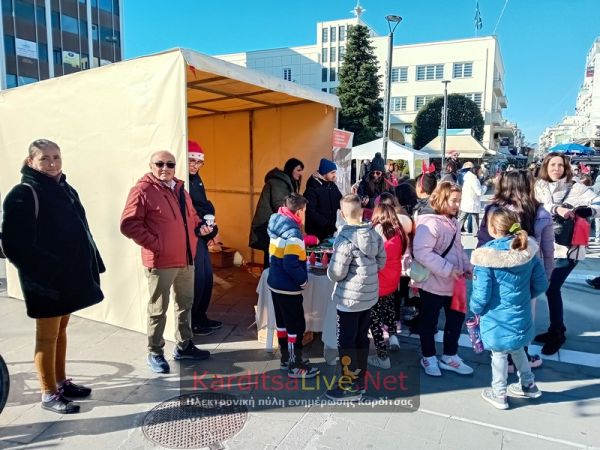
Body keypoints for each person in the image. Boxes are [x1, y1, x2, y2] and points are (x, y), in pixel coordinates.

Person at [2, 139, 105, 414]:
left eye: (56, 157)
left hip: (68, 278)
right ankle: (48, 393)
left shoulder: (64, 187)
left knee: (60, 332)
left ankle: (61, 381)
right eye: (44, 158)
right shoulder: (23, 192)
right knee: (47, 337)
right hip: (46, 283)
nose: (52, 163)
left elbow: (82, 230)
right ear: (30, 161)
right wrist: (49, 269)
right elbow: (14, 245)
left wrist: (92, 262)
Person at [120, 150, 213, 374]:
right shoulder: (142, 190)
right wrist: (157, 244)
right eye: (160, 164)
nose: (165, 168)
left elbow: (192, 218)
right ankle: (155, 352)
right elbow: (129, 224)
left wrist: (201, 228)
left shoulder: (181, 189)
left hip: (185, 258)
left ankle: (184, 345)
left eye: (170, 164)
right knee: (158, 309)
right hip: (161, 261)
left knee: (185, 305)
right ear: (151, 165)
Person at [470, 208, 548, 410]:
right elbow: (541, 283)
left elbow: (481, 295)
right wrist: (524, 296)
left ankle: (499, 393)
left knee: (499, 355)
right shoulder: (527, 249)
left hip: (497, 317)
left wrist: (475, 309)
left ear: (493, 228)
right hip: (520, 312)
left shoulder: (486, 256)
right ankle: (528, 385)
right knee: (518, 348)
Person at [477, 170, 554, 369]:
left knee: (497, 311)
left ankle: (500, 355)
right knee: (524, 313)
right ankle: (522, 356)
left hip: (496, 271)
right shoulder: (540, 211)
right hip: (526, 273)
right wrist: (546, 276)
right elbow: (548, 249)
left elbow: (483, 241)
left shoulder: (493, 210)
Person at [534, 152, 600, 354]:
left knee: (552, 288)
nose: (556, 169)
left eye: (560, 165)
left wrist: (588, 211)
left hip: (568, 248)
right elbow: (536, 206)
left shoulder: (576, 187)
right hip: (544, 245)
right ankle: (557, 328)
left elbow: (597, 202)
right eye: (552, 165)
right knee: (549, 289)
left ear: (566, 168)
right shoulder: (538, 186)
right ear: (546, 166)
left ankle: (557, 333)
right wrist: (555, 208)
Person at [326, 194, 386, 401]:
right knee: (361, 338)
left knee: (346, 342)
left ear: (342, 214)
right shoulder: (373, 233)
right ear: (361, 211)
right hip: (368, 297)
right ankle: (360, 381)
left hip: (349, 300)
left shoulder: (344, 240)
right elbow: (382, 261)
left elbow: (336, 273)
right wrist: (368, 273)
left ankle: (348, 386)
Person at [412, 182, 474, 377]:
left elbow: (458, 249)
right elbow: (422, 253)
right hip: (433, 283)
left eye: (459, 201)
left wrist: (466, 266)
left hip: (454, 282)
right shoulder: (430, 223)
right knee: (429, 321)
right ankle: (428, 356)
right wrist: (449, 269)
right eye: (454, 200)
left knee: (456, 320)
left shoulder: (453, 222)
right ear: (441, 199)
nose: (457, 205)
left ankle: (450, 355)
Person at [267, 193, 319, 378]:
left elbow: (283, 250)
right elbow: (290, 262)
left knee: (283, 325)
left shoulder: (276, 222)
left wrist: (305, 241)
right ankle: (295, 365)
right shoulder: (294, 233)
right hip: (288, 287)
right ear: (299, 212)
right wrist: (303, 280)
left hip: (275, 282)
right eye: (304, 211)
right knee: (296, 327)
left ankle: (285, 359)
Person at [187, 141, 222, 336]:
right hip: (192, 237)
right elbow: (191, 210)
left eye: (198, 163)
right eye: (191, 161)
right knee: (198, 279)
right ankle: (194, 320)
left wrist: (211, 228)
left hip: (202, 234)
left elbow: (204, 205)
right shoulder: (182, 181)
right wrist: (206, 228)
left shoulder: (197, 179)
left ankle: (201, 316)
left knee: (207, 278)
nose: (195, 165)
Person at [368, 203, 407, 369]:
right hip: (392, 279)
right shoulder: (399, 232)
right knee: (389, 309)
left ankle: (382, 357)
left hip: (377, 281)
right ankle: (393, 338)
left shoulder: (376, 231)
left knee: (374, 319)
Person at [249, 158, 304, 268]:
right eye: (298, 170)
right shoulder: (278, 183)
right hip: (270, 226)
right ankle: (268, 282)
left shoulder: (285, 182)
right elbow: (281, 206)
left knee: (272, 256)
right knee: (271, 258)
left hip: (274, 226)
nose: (300, 173)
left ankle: (270, 280)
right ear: (290, 169)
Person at [303, 158, 343, 241]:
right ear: (325, 172)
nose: (334, 175)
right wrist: (327, 223)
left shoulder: (332, 185)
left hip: (329, 230)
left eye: (335, 172)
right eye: (332, 172)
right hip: (316, 232)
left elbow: (340, 201)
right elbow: (310, 212)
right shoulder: (312, 187)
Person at [457, 162, 483, 235]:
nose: (481, 172)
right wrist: (485, 187)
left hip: (466, 201)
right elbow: (479, 192)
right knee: (474, 217)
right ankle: (476, 232)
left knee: (463, 217)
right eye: (480, 171)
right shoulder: (474, 180)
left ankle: (457, 230)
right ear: (477, 171)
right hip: (472, 201)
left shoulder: (467, 178)